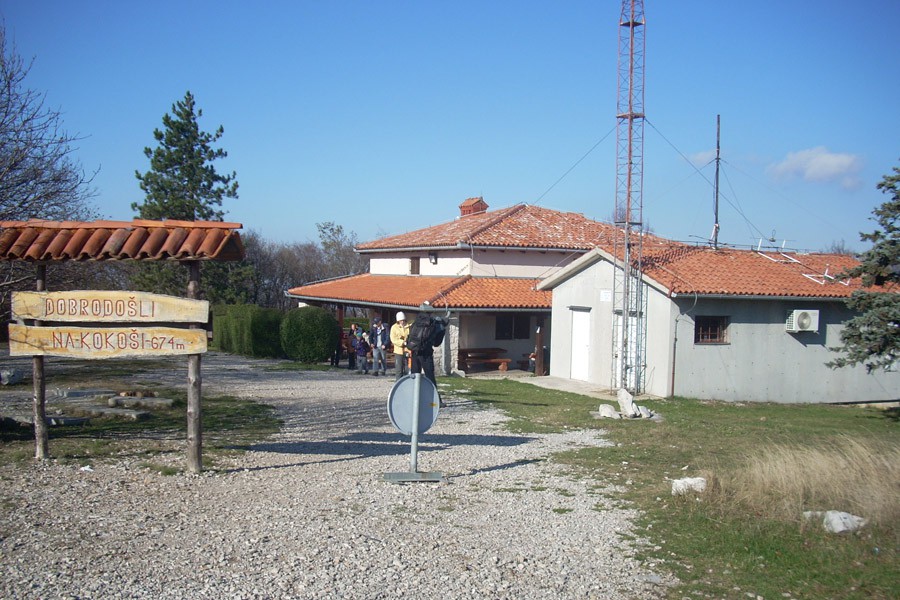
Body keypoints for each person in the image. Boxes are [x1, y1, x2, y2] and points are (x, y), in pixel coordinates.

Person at [409, 314, 446, 390]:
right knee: (430, 377)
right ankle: (435, 400)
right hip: (426, 353)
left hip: (414, 350)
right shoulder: (440, 327)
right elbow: (436, 344)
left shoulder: (419, 322)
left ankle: (414, 398)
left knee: (415, 376)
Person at [389, 311, 410, 380]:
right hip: (398, 351)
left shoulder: (409, 326)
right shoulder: (394, 328)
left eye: (403, 320)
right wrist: (402, 342)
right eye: (401, 320)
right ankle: (398, 383)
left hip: (408, 350)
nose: (402, 322)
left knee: (408, 369)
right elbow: (393, 339)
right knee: (399, 369)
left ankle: (408, 383)